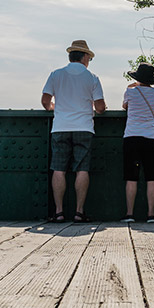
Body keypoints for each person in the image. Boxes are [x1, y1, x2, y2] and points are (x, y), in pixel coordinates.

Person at [41, 40, 106, 222]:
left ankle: (59, 212)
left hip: (60, 127)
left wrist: (57, 107)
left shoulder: (56, 74)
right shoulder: (92, 78)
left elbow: (46, 102)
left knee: (59, 169)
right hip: (84, 128)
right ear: (85, 57)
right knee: (82, 170)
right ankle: (79, 212)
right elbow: (100, 107)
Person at [120, 62, 154, 223]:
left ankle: (129, 214)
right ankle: (151, 215)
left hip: (132, 137)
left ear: (137, 77)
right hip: (151, 138)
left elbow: (125, 106)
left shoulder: (130, 92)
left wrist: (133, 85)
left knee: (131, 178)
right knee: (152, 177)